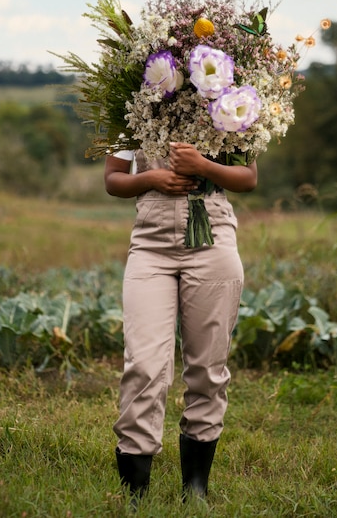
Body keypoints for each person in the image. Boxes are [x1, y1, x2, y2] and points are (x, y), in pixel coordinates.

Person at [104, 141, 258, 502]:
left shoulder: (228, 102)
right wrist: (150, 178)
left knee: (207, 368)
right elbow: (112, 179)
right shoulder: (128, 97)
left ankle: (196, 489)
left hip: (213, 241)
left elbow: (247, 178)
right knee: (143, 365)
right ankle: (135, 495)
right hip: (150, 246)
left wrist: (203, 166)